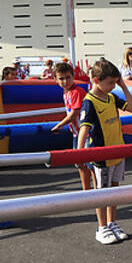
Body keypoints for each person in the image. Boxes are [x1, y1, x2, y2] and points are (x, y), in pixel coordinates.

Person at [78, 59, 132, 245]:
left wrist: (123, 85)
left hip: (117, 150)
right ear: (96, 80)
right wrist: (79, 154)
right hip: (101, 155)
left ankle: (112, 223)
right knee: (101, 193)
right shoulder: (90, 102)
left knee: (114, 190)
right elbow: (84, 129)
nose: (113, 86)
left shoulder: (111, 97)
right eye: (110, 83)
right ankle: (102, 227)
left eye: (114, 82)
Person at [51, 62, 92, 192]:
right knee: (80, 164)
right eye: (61, 78)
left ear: (73, 76)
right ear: (56, 80)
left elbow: (74, 113)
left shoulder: (76, 92)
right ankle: (87, 191)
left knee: (90, 164)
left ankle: (96, 191)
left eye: (68, 77)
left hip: (86, 133)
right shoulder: (67, 93)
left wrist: (59, 125)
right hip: (77, 133)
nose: (65, 81)